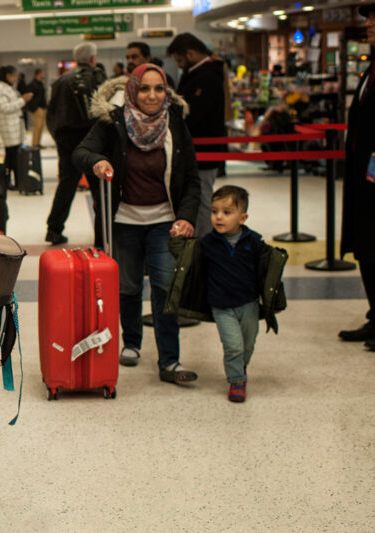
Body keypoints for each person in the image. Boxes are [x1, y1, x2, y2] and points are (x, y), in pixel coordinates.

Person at [73, 63, 201, 384]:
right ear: (132, 91)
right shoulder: (114, 122)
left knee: (164, 287)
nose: (153, 95)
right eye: (145, 88)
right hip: (123, 221)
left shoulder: (177, 125)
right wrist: (97, 161)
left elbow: (192, 180)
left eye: (159, 88)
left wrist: (186, 217)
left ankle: (169, 361)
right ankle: (131, 342)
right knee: (128, 286)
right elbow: (81, 152)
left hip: (164, 221)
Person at [168, 186, 287, 402]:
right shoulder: (208, 244)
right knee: (233, 346)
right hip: (222, 306)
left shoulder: (254, 243)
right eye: (214, 211)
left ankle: (240, 368)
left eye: (226, 212)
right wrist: (176, 239)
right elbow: (185, 256)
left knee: (248, 344)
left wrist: (276, 301)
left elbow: (269, 273)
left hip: (249, 304)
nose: (218, 217)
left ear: (243, 218)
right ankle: (236, 381)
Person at [45, 42, 106, 245]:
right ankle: (102, 232)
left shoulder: (61, 80)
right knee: (98, 186)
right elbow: (102, 111)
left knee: (66, 184)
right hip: (90, 141)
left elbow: (51, 113)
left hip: (66, 139)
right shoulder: (97, 76)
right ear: (92, 58)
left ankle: (54, 228)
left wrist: (59, 137)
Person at [167, 33, 226, 238]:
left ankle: (203, 244)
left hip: (204, 147)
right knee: (193, 197)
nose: (179, 64)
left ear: (191, 54)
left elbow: (195, 113)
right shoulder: (195, 73)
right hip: (193, 148)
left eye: (180, 60)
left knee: (201, 199)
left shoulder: (208, 76)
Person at [340, 3, 375, 349]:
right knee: (367, 247)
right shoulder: (370, 69)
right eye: (367, 19)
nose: (369, 24)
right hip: (364, 178)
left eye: (374, 19)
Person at [0, 65, 32, 189]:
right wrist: (22, 101)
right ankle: (11, 182)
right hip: (8, 126)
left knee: (13, 155)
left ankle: (13, 181)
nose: (16, 78)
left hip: (14, 126)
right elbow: (5, 107)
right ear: (7, 75)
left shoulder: (7, 87)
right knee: (12, 156)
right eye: (14, 75)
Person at [26, 68, 48, 148]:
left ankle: (38, 143)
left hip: (43, 108)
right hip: (37, 109)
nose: (44, 75)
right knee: (37, 126)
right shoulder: (32, 84)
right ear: (38, 74)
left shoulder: (40, 83)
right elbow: (29, 98)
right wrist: (34, 108)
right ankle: (35, 143)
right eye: (42, 73)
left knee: (41, 127)